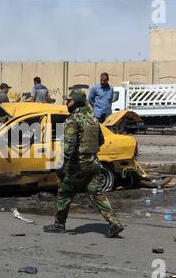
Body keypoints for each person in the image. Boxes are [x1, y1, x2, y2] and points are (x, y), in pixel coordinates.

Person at [43, 91, 124, 238]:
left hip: (76, 166)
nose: (67, 103)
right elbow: (101, 141)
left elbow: (69, 147)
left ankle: (59, 224)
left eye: (69, 101)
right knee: (97, 193)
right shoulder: (93, 119)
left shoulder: (72, 120)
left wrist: (63, 166)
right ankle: (114, 223)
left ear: (75, 102)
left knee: (64, 193)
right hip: (92, 164)